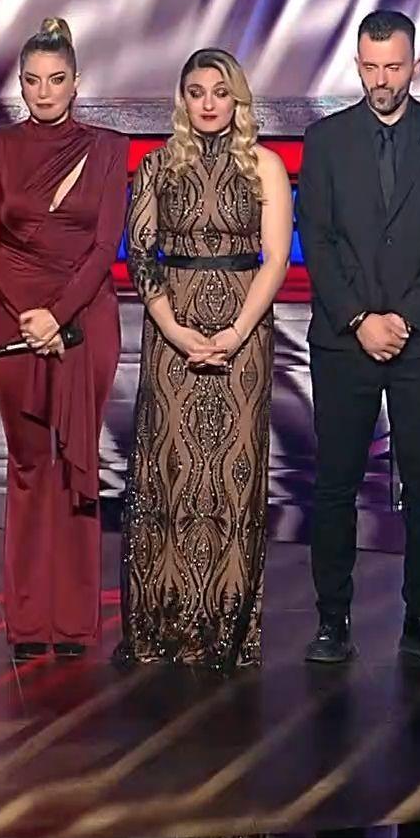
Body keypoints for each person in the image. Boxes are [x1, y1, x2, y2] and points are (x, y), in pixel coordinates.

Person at [298, 10, 420, 664]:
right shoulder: (326, 139)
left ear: (416, 66)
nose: (381, 79)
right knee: (335, 483)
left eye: (393, 67)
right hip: (344, 338)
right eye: (370, 67)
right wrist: (359, 318)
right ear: (357, 65)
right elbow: (316, 238)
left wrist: (406, 318)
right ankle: (332, 621)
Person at [120, 48, 291, 671]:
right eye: (197, 92)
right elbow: (141, 254)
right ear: (183, 100)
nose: (209, 103)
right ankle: (164, 622)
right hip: (171, 331)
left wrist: (238, 332)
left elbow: (276, 258)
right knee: (172, 470)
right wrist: (174, 329)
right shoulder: (157, 166)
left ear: (237, 98)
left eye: (220, 91)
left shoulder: (265, 165)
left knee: (231, 475)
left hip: (246, 331)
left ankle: (226, 625)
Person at [0, 18, 128, 661]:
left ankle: (73, 621)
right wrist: (31, 314)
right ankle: (30, 618)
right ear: (20, 84)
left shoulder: (109, 148)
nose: (44, 92)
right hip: (13, 319)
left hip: (86, 318)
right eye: (33, 81)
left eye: (56, 80)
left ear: (76, 82)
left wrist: (58, 316)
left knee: (77, 461)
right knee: (31, 462)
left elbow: (105, 245)